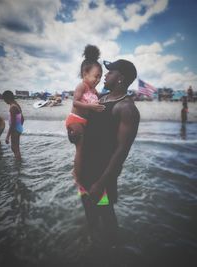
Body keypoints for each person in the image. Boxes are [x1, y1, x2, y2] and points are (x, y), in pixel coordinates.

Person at [79, 59, 140, 247]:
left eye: (110, 72)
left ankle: (113, 250)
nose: (105, 75)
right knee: (88, 206)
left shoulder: (127, 108)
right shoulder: (102, 99)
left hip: (102, 173)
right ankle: (93, 244)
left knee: (105, 210)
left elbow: (122, 151)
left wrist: (101, 182)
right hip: (86, 168)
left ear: (120, 78)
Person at [65, 45, 105, 183]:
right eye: (96, 76)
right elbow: (75, 102)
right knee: (80, 150)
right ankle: (76, 174)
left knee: (85, 149)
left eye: (100, 77)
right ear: (85, 74)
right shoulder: (81, 86)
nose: (98, 79)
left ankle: (78, 169)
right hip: (75, 120)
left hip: (83, 122)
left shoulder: (94, 91)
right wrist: (91, 107)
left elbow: (101, 101)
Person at [2, 90, 24, 161]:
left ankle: (18, 165)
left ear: (7, 98)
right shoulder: (16, 104)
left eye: (4, 99)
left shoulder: (12, 107)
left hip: (15, 129)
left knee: (14, 148)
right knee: (15, 148)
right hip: (18, 128)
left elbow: (13, 123)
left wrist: (7, 136)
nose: (5, 102)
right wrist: (20, 127)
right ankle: (18, 163)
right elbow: (22, 118)